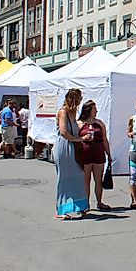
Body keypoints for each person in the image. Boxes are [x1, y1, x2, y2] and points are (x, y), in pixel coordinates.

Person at [54, 89, 91, 220]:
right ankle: (61, 208)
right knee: (64, 178)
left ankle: (79, 205)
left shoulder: (73, 112)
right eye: (79, 98)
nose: (81, 100)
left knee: (78, 176)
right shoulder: (63, 112)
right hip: (64, 147)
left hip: (73, 146)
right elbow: (64, 132)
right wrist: (79, 139)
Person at [78, 100, 112, 211]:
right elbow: (75, 139)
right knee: (85, 181)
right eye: (94, 109)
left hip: (98, 153)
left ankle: (99, 202)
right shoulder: (80, 124)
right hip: (85, 153)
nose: (96, 111)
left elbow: (104, 139)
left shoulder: (100, 123)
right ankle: (85, 204)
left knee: (98, 180)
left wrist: (108, 153)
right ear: (88, 110)